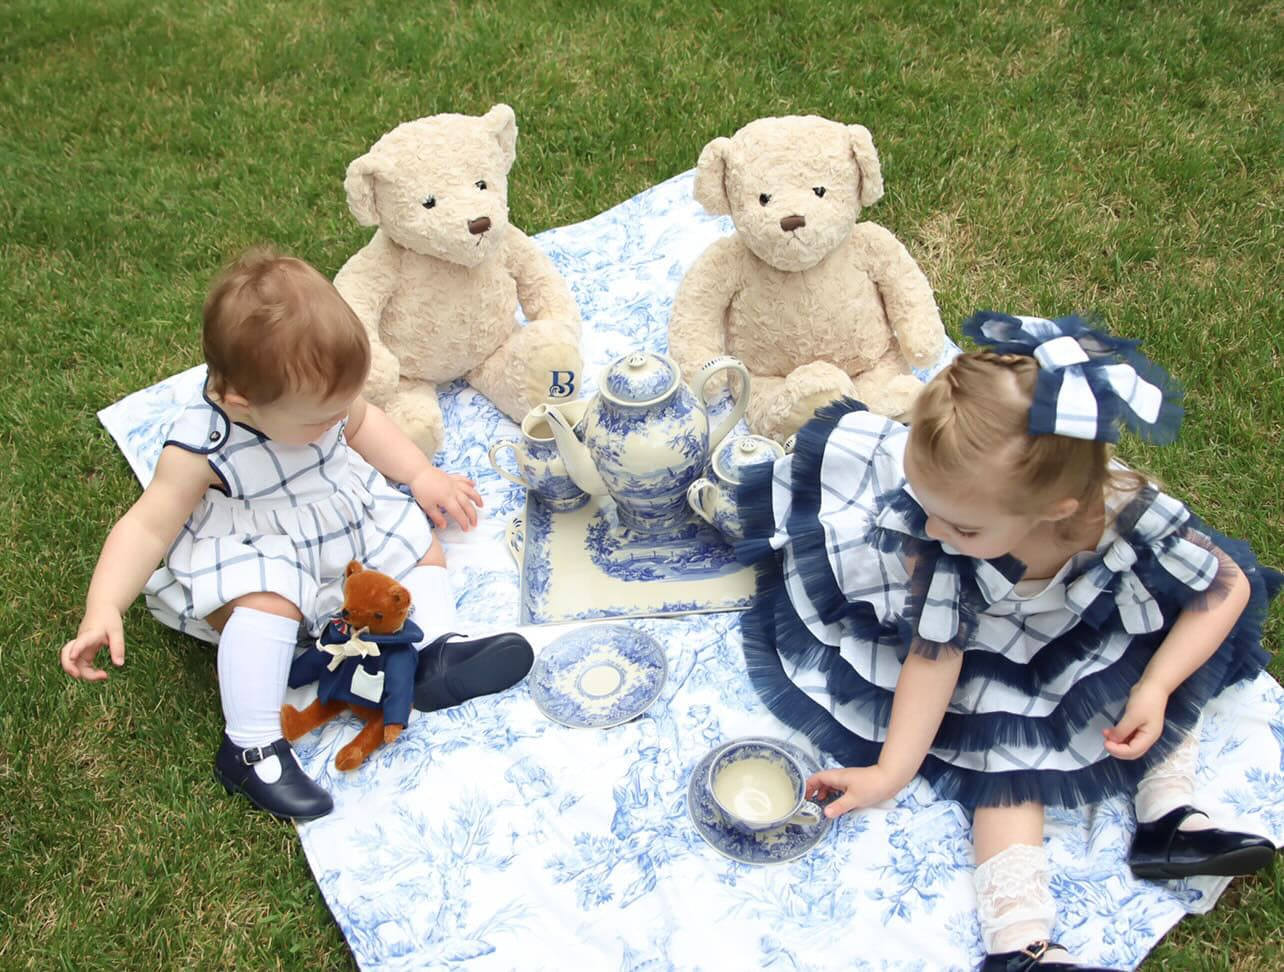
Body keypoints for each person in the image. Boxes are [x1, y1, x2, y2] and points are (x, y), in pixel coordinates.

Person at [736, 312, 1280, 972]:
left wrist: (1157, 686)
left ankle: (1170, 818)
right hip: (988, 641)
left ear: (1054, 510)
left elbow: (1224, 586)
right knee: (1003, 761)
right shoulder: (941, 547)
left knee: (1164, 659)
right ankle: (1021, 943)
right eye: (924, 504)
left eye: (959, 523)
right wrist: (890, 770)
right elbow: (935, 658)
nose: (933, 529)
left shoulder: (1127, 510)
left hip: (1087, 623)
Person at [61, 250, 532, 822]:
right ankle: (251, 745)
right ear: (243, 403)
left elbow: (364, 424)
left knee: (414, 542)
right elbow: (146, 524)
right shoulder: (203, 446)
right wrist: (103, 604)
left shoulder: (324, 401)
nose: (337, 422)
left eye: (342, 407)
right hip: (261, 545)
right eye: (320, 418)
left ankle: (426, 654)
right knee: (269, 598)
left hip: (337, 520)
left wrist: (418, 474)